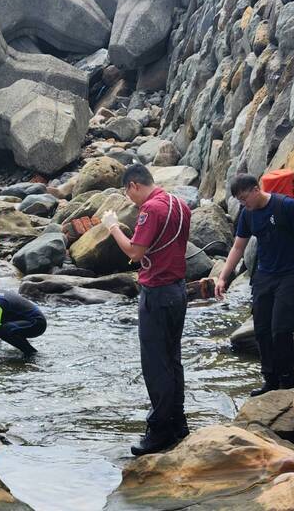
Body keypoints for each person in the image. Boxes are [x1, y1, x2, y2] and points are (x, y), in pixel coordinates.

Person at [101, 163, 191, 456]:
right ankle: (179, 423)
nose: (131, 201)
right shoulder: (179, 204)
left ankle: (160, 429)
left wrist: (112, 225)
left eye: (129, 195)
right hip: (178, 290)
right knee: (172, 359)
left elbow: (134, 252)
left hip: (157, 291)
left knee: (155, 364)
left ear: (134, 186)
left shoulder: (151, 210)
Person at [215, 173, 294, 397]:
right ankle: (270, 379)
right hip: (264, 276)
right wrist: (222, 277)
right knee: (262, 331)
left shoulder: (284, 206)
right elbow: (238, 248)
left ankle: (286, 381)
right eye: (239, 200)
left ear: (256, 190)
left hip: (291, 274)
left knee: (280, 329)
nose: (243, 203)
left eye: (244, 198)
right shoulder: (248, 215)